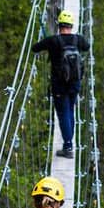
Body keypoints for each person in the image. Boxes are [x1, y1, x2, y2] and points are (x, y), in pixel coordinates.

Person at [31, 11, 89, 157]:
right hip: (75, 82)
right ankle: (68, 143)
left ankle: (68, 147)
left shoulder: (53, 41)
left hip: (59, 84)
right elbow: (87, 46)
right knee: (70, 111)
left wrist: (49, 47)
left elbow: (35, 48)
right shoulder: (78, 39)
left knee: (63, 114)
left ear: (59, 25)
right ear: (71, 26)